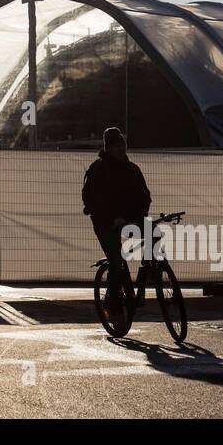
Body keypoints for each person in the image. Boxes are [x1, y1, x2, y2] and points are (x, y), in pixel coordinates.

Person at [81, 126, 151, 314]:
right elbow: (96, 201)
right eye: (116, 146)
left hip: (128, 220)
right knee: (115, 261)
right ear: (108, 148)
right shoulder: (99, 170)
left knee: (154, 234)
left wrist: (142, 217)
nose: (121, 149)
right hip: (105, 223)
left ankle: (151, 272)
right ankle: (114, 303)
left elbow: (144, 196)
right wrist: (112, 219)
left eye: (122, 145)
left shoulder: (132, 170)